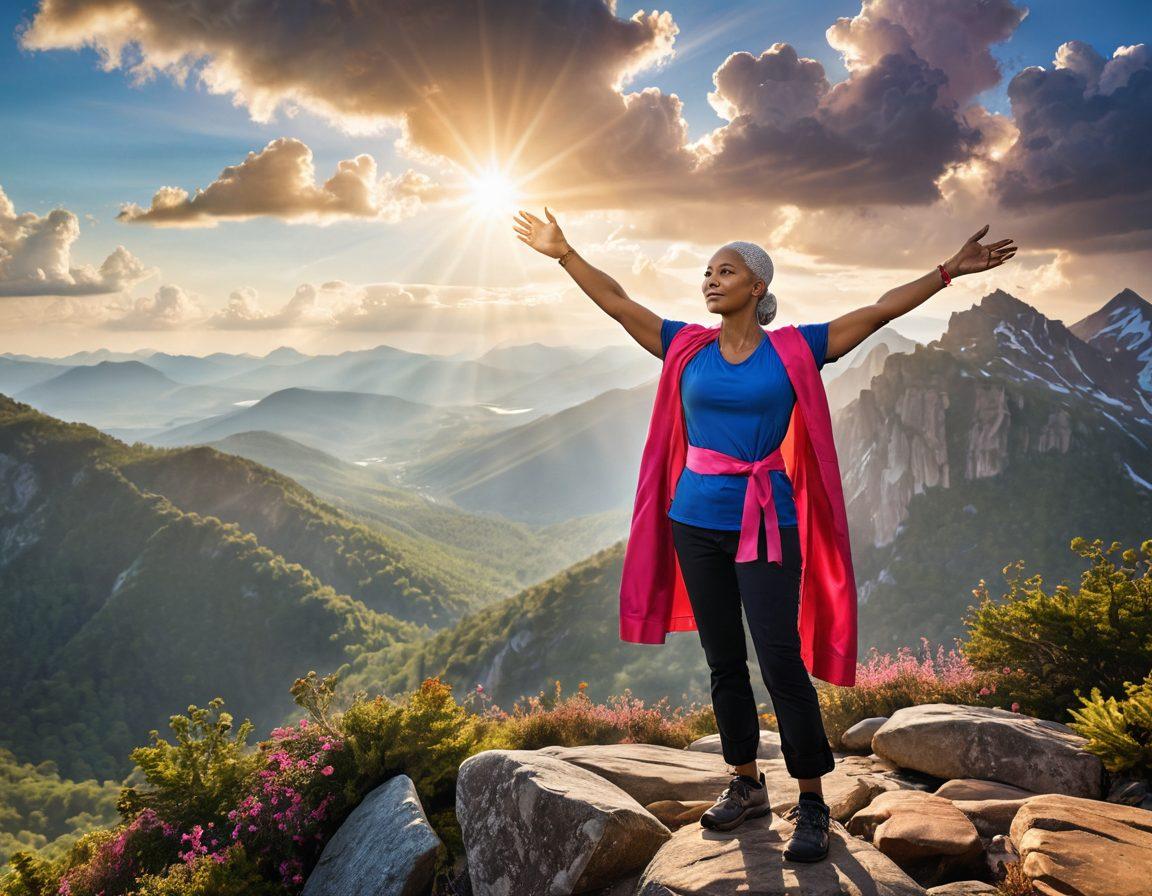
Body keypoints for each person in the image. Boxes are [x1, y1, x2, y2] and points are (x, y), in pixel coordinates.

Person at [512, 206, 1017, 862]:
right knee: (724, 661)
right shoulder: (686, 345)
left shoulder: (796, 347)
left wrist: (948, 271)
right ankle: (745, 782)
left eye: (726, 270)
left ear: (758, 287)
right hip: (693, 522)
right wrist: (565, 251)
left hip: (766, 524)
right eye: (706, 271)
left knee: (780, 659)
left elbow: (880, 310)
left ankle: (811, 800)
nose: (709, 279)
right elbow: (616, 301)